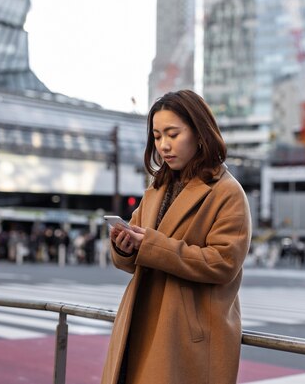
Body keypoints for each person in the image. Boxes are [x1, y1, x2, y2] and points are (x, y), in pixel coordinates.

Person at [100, 90, 252, 384]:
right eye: (157, 136)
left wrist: (151, 245)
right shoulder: (157, 188)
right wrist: (126, 247)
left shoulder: (227, 192)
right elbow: (133, 258)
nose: (164, 145)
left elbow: (223, 262)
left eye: (173, 133)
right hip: (142, 320)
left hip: (186, 333)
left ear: (199, 133)